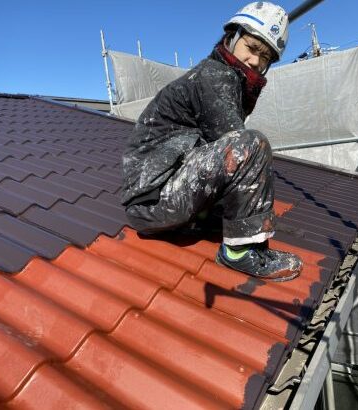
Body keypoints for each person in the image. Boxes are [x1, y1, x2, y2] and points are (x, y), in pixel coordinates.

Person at [121, 1, 303, 281]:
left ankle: (201, 221)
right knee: (251, 144)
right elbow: (236, 149)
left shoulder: (227, 76)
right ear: (232, 36)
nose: (256, 60)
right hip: (153, 202)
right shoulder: (215, 76)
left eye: (265, 57)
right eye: (252, 48)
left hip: (156, 196)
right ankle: (241, 253)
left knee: (239, 154)